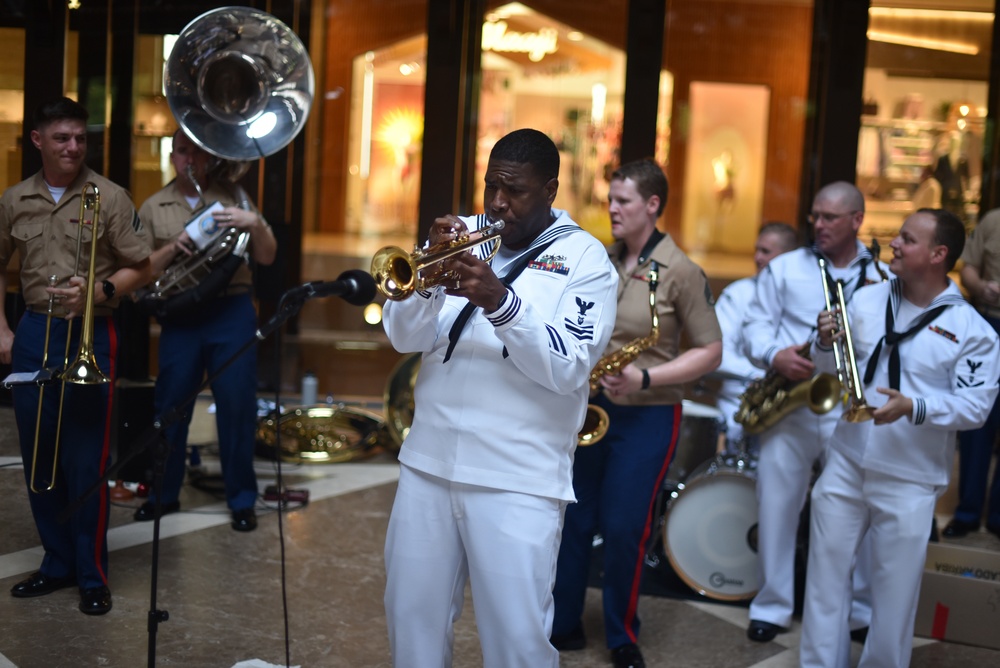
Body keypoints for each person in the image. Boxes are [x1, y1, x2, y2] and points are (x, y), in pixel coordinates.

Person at [381, 128, 618, 667]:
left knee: (516, 641)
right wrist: (426, 281)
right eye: (491, 186)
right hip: (429, 464)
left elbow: (570, 366)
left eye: (516, 191)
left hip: (517, 478)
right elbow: (405, 337)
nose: (497, 203)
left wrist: (500, 301)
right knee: (409, 618)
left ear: (551, 189)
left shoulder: (586, 260)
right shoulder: (471, 235)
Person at [800, 208, 1000, 667]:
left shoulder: (975, 332)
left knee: (894, 600)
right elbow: (831, 372)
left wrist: (915, 406)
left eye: (907, 239)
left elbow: (976, 409)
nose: (893, 243)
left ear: (938, 254)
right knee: (824, 582)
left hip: (909, 479)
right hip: (846, 462)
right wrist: (823, 344)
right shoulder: (866, 299)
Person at [551, 159, 722, 668]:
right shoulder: (600, 259)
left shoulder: (682, 272)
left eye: (622, 201)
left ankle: (623, 635)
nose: (612, 209)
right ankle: (563, 623)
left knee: (626, 526)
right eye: (610, 199)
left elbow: (710, 350)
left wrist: (645, 377)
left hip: (647, 414)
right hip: (591, 408)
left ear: (652, 205)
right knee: (574, 518)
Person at [1, 97, 152, 614]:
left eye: (80, 138)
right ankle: (56, 563)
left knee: (85, 461)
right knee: (39, 459)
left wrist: (101, 290)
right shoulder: (14, 199)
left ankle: (91, 574)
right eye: (61, 138)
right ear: (38, 141)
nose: (73, 146)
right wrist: (1, 330)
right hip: (33, 331)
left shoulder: (108, 196)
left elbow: (143, 266)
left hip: (92, 333)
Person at [741, 181, 885, 642]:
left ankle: (859, 611)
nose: (817, 225)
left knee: (859, 509)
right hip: (794, 403)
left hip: (849, 406)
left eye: (829, 218)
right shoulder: (784, 269)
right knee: (777, 504)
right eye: (815, 216)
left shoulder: (883, 277)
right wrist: (774, 354)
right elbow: (753, 328)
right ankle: (772, 605)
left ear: (856, 220)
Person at [133, 128, 276, 532]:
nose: (190, 160)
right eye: (182, 152)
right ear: (171, 156)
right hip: (181, 314)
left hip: (231, 309)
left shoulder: (236, 196)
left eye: (198, 153)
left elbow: (266, 256)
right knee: (170, 407)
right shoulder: (153, 206)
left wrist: (255, 222)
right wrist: (172, 247)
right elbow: (141, 271)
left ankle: (242, 499)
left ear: (210, 157)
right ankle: (163, 494)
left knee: (237, 407)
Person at [940, 207, 1000, 540]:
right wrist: (982, 287)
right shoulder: (994, 221)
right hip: (990, 320)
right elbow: (969, 271)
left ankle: (998, 517)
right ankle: (966, 513)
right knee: (978, 421)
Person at [715, 222, 798, 451]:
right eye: (757, 250)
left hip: (791, 414)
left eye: (766, 252)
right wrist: (768, 375)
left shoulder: (804, 296)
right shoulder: (737, 294)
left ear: (789, 256)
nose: (757, 258)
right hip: (738, 409)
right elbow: (718, 354)